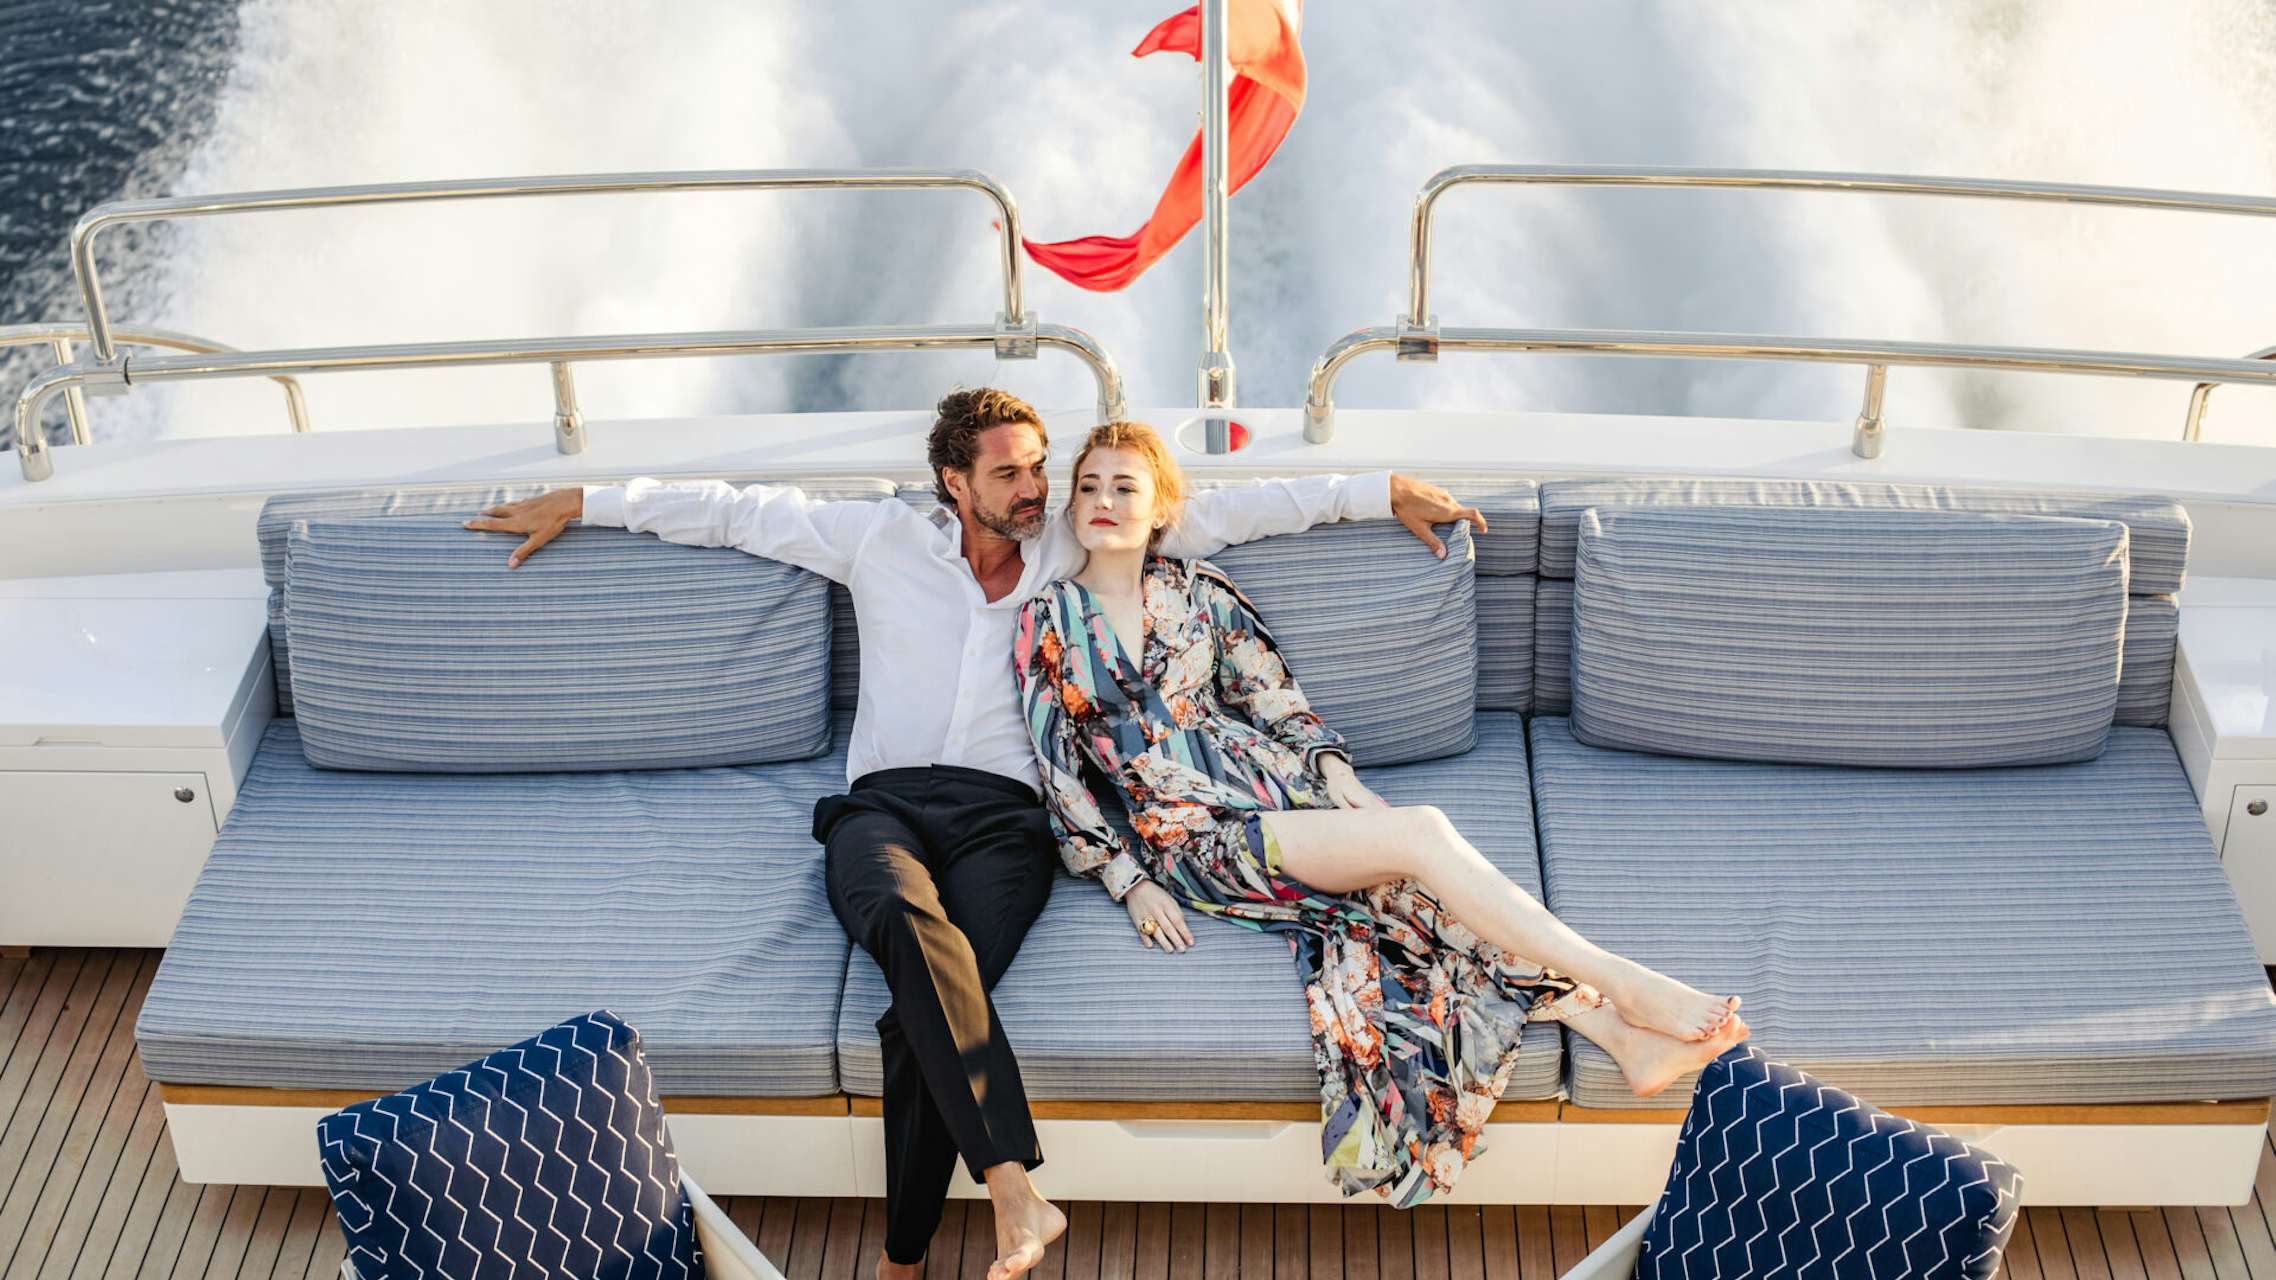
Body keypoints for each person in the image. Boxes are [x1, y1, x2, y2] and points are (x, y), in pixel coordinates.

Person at [464, 389, 1484, 1280]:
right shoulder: (879, 540)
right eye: (1010, 471)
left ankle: (903, 1252)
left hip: (1010, 822)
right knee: (907, 924)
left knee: (920, 1016)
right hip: (884, 810)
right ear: (954, 480)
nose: (1036, 485)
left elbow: (1224, 514)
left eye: (1042, 465)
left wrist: (1379, 487)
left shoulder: (1072, 547)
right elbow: (734, 514)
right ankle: (1008, 1184)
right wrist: (587, 500)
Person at [1012, 420, 1750, 1208]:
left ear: (1161, 505)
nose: (1103, 501)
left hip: (1279, 789)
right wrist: (1129, 881)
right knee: (1423, 835)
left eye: (1125, 486)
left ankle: (1621, 1037)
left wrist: (1334, 773)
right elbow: (1059, 770)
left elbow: (1274, 698)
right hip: (1196, 836)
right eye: (1088, 486)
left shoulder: (1198, 592)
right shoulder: (1048, 618)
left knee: (1420, 902)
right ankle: (1623, 983)